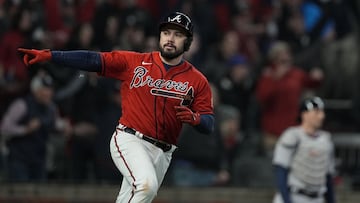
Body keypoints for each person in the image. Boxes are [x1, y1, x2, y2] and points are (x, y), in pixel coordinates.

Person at [18, 11, 214, 203]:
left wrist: (196, 119)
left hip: (164, 153)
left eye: (178, 34)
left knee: (132, 196)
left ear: (188, 42)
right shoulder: (135, 62)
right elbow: (93, 60)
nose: (170, 38)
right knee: (146, 185)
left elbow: (209, 123)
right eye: (166, 33)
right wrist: (52, 56)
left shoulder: (198, 80)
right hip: (130, 139)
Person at [255, 41, 323, 155]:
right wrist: (276, 79)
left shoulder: (296, 74)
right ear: (274, 59)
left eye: (287, 57)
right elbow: (262, 98)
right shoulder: (268, 76)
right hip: (272, 132)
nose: (285, 61)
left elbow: (310, 82)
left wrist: (317, 78)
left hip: (292, 129)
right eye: (281, 59)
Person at [0, 72, 64, 182]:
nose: (49, 93)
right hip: (19, 158)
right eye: (45, 89)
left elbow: (56, 124)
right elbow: (4, 128)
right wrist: (25, 129)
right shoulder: (22, 105)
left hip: (39, 158)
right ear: (36, 91)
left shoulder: (52, 108)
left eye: (50, 89)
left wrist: (63, 127)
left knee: (40, 195)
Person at [272, 96, 336, 203]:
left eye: (322, 112)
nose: (321, 116)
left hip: (317, 198)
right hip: (294, 195)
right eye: (316, 112)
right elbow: (281, 170)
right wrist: (287, 200)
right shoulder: (293, 135)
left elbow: (328, 176)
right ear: (304, 114)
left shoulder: (326, 140)